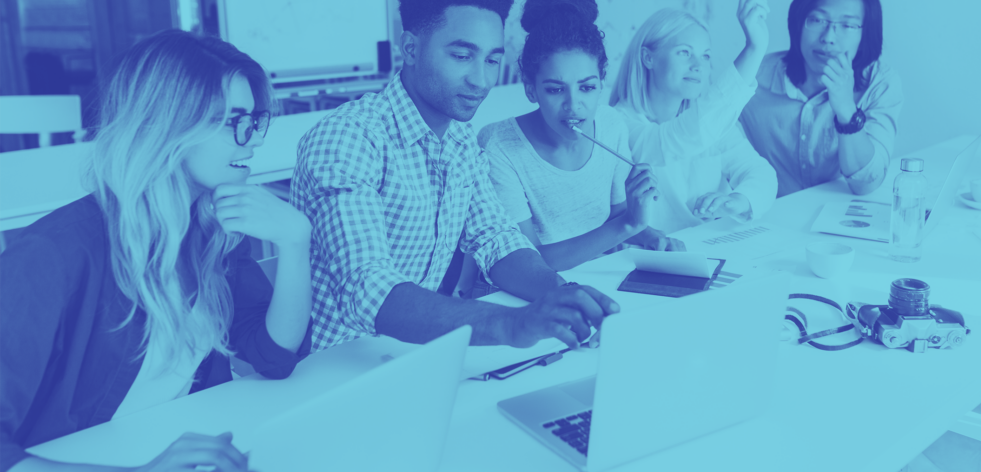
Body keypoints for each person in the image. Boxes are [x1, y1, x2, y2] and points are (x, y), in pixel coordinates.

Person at [0, 30, 313, 472]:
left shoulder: (216, 227)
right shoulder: (51, 256)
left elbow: (273, 356)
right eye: (232, 120)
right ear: (168, 126)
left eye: (254, 120)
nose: (253, 139)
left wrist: (296, 242)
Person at [290, 0, 620, 354]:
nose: (481, 80)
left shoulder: (460, 141)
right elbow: (368, 289)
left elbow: (497, 240)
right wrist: (512, 324)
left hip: (415, 357)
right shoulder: (348, 138)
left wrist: (563, 293)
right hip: (332, 371)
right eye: (462, 56)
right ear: (411, 49)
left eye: (492, 60)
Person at [476, 0, 678, 275]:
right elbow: (528, 260)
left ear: (601, 82)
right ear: (531, 90)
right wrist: (630, 224)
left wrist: (652, 236)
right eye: (555, 90)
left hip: (605, 278)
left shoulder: (611, 124)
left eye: (587, 87)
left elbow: (617, 215)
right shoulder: (499, 146)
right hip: (541, 293)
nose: (574, 105)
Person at [610, 2, 778, 235]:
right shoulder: (618, 124)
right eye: (684, 53)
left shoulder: (711, 123)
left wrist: (737, 200)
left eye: (706, 56)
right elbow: (672, 141)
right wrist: (753, 50)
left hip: (705, 247)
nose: (698, 66)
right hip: (647, 259)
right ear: (648, 58)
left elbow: (762, 173)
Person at [739, 0, 903, 197]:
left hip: (840, 218)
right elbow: (704, 135)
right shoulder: (755, 76)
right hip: (769, 219)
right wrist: (751, 47)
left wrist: (846, 110)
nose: (829, 37)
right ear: (798, 23)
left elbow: (866, 183)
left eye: (847, 25)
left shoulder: (879, 82)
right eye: (817, 20)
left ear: (865, 33)